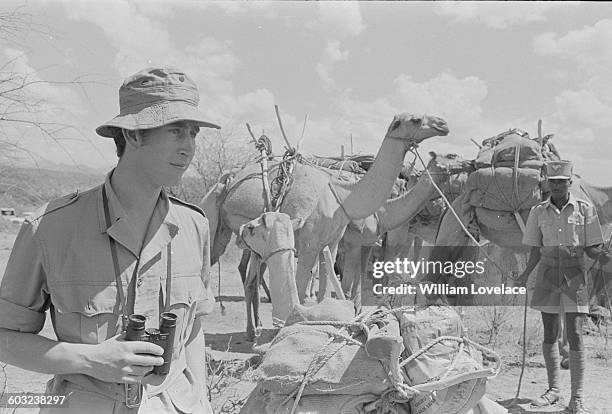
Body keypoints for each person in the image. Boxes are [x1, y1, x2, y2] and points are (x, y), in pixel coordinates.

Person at [0, 67, 219, 413]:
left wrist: (203, 401)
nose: (189, 148)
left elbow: (192, 330)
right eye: (176, 131)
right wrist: (89, 359)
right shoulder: (50, 228)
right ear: (133, 135)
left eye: (193, 133)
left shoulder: (194, 226)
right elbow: (6, 339)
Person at [519, 160, 611, 414]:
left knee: (576, 334)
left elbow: (593, 247)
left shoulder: (585, 209)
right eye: (553, 182)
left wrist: (605, 254)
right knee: (550, 333)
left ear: (570, 183)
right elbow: (535, 250)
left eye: (562, 182)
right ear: (547, 183)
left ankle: (577, 399)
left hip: (575, 276)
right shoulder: (538, 211)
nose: (557, 186)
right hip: (547, 275)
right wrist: (525, 275)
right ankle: (553, 391)